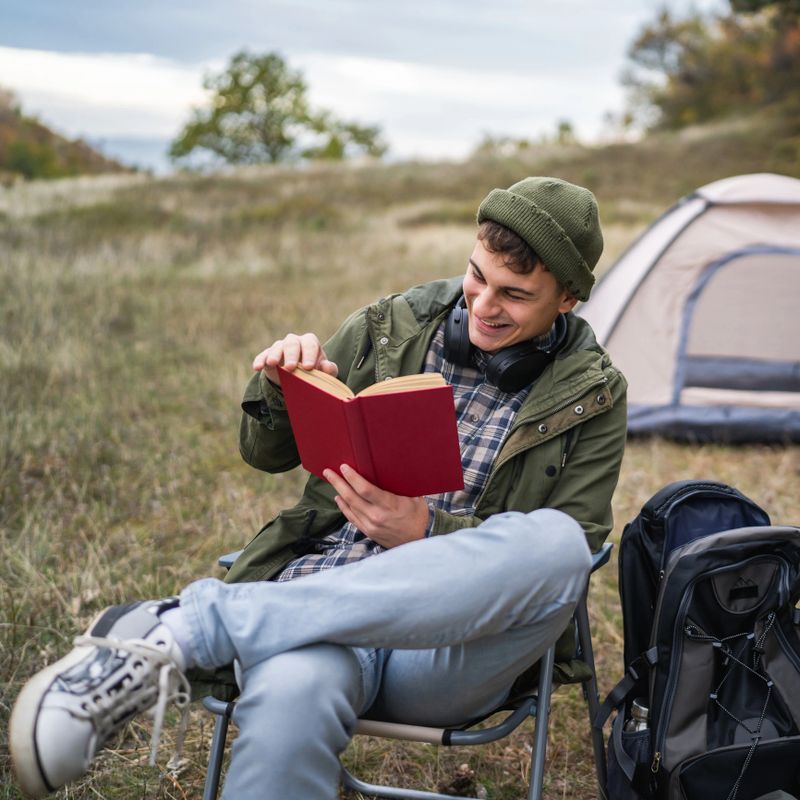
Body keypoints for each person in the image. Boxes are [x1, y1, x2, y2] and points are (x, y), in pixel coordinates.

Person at [9, 177, 628, 800]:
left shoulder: (595, 389)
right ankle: (184, 635)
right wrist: (283, 384)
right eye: (477, 277)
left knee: (560, 546)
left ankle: (189, 628)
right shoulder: (391, 326)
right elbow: (264, 454)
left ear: (568, 300)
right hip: (319, 615)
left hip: (449, 650)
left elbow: (583, 540)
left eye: (515, 295)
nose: (483, 305)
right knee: (292, 691)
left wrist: (426, 533)